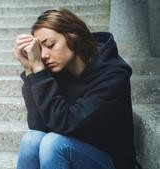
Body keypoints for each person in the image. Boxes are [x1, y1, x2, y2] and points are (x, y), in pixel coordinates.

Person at [13, 9, 142, 169]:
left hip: (110, 161)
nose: (44, 55)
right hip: (70, 151)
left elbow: (66, 124)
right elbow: (39, 126)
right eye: (40, 49)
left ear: (73, 37)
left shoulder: (112, 75)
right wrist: (30, 70)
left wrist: (39, 70)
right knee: (31, 139)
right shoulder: (57, 71)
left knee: (54, 144)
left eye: (50, 45)